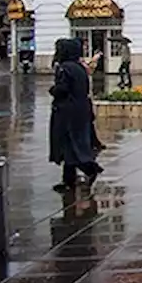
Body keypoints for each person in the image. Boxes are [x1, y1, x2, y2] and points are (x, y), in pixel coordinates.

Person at [49, 38, 102, 191]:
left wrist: (53, 90)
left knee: (69, 143)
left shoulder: (64, 68)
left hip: (67, 111)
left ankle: (90, 169)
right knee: (73, 143)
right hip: (81, 109)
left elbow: (63, 89)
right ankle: (68, 180)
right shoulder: (79, 67)